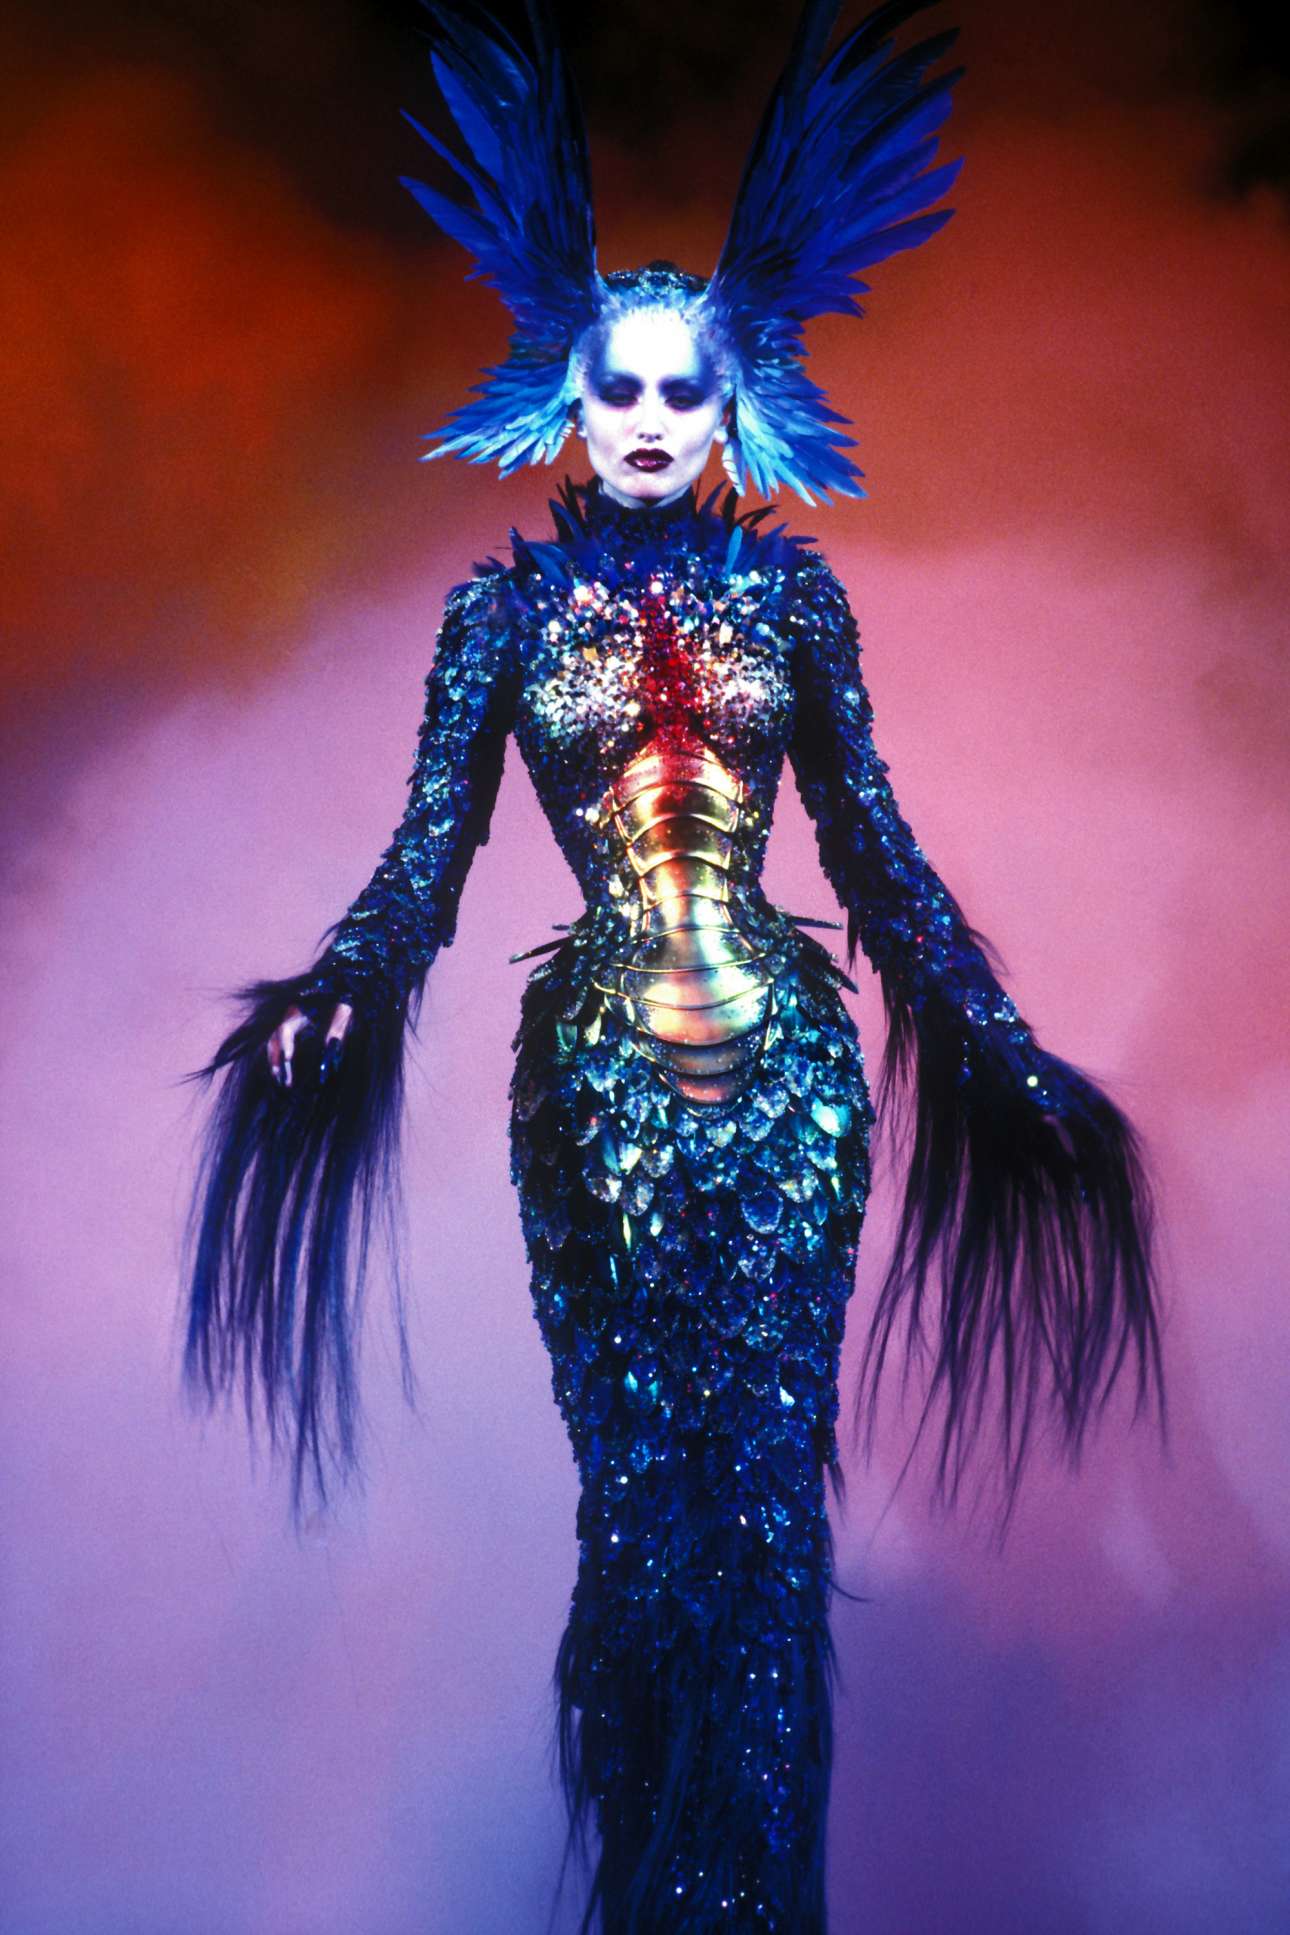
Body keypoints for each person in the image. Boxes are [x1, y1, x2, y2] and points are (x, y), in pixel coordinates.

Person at [183, 4, 1162, 1929]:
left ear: (733, 410)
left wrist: (998, 1045)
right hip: (597, 1093)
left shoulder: (796, 600)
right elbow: (426, 859)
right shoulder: (494, 620)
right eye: (615, 387)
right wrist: (339, 988)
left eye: (682, 391)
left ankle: (753, 1902)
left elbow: (872, 850)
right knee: (639, 1503)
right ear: (566, 398)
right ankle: (659, 1890)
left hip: (786, 1089)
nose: (645, 419)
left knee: (763, 1509)